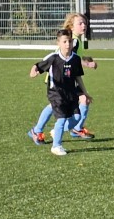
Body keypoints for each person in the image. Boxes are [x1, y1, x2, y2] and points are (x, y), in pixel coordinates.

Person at [28, 13, 97, 145]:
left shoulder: (76, 40)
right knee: (81, 100)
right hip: (59, 78)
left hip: (64, 77)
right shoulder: (73, 41)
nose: (84, 25)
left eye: (85, 23)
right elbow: (71, 60)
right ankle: (74, 129)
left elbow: (75, 58)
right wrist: (88, 64)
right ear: (71, 26)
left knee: (56, 105)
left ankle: (38, 130)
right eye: (80, 23)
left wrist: (86, 59)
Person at [28, 28, 86, 156]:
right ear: (58, 43)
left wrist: (84, 92)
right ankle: (56, 146)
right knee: (62, 119)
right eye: (64, 41)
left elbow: (78, 77)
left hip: (71, 94)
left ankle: (56, 131)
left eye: (69, 41)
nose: (67, 44)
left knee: (77, 118)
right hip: (56, 93)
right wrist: (33, 72)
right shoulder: (53, 58)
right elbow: (37, 66)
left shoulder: (75, 59)